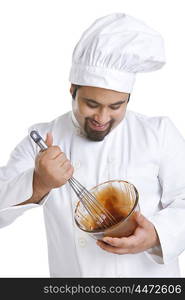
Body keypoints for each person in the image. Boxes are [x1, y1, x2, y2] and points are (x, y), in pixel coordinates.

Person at [0, 13, 185, 278]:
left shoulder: (159, 133)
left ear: (128, 98)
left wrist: (156, 235)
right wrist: (38, 183)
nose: (102, 118)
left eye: (115, 106)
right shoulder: (42, 139)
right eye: (92, 104)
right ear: (72, 89)